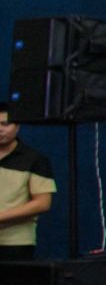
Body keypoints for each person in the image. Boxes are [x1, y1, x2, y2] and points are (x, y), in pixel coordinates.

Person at [0, 108, 55, 260]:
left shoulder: (35, 159)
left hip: (15, 242)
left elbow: (43, 203)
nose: (0, 129)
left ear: (17, 126)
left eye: (5, 124)